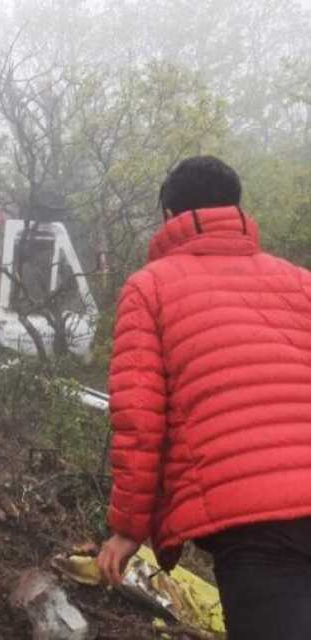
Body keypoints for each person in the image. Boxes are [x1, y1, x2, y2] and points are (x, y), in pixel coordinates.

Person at [97, 155, 311, 639]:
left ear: (170, 216)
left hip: (255, 524)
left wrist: (128, 528)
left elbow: (139, 418)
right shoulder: (300, 282)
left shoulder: (150, 288)